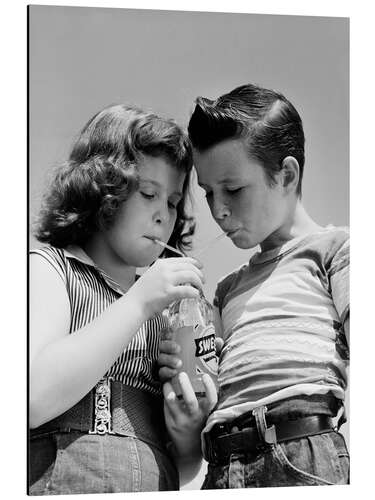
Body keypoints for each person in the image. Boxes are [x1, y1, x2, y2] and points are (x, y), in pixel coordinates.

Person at [158, 83, 350, 488]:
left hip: (302, 450)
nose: (218, 209)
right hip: (223, 466)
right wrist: (190, 394)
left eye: (233, 189)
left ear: (286, 174)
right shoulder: (225, 290)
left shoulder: (335, 250)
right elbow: (210, 387)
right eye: (209, 193)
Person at [29, 104, 217, 495]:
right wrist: (137, 303)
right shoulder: (52, 268)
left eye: (172, 201)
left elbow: (181, 468)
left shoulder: (166, 315)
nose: (164, 215)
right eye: (149, 193)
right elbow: (32, 396)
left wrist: (186, 430)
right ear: (102, 188)